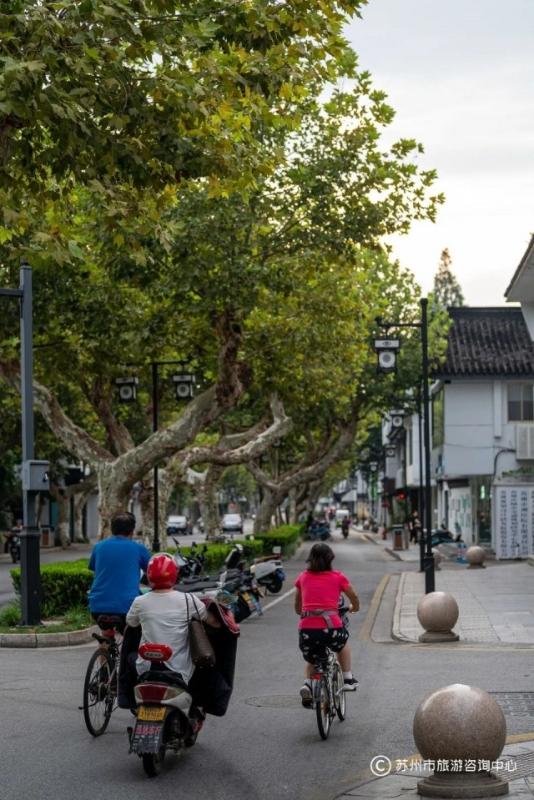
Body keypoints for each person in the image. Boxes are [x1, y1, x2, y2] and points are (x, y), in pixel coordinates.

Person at [294, 542, 360, 708]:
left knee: (313, 657)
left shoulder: (302, 577)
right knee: (343, 645)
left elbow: (297, 606)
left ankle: (307, 684)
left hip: (307, 631)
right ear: (330, 559)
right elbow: (354, 596)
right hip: (332, 629)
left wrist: (304, 611)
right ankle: (348, 678)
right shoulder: (338, 577)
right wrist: (355, 607)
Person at [88, 511, 151, 632]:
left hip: (97, 607)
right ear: (132, 530)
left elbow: (95, 570)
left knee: (106, 634)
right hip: (127, 607)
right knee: (135, 635)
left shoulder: (98, 547)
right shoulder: (138, 549)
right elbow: (152, 572)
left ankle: (105, 648)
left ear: (111, 529)